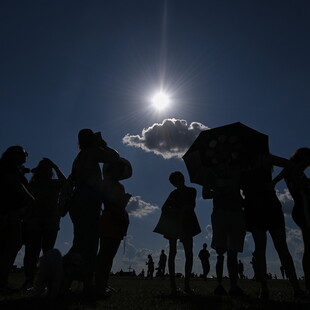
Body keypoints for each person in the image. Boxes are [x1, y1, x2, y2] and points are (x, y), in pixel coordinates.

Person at [241, 152, 306, 299]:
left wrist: (274, 182)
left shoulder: (263, 158)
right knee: (263, 249)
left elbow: (290, 165)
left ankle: (294, 288)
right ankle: (266, 289)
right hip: (255, 206)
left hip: (267, 205)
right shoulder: (245, 163)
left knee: (278, 248)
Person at [68, 129, 120, 298]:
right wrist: (102, 143)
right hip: (89, 203)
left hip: (77, 203)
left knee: (80, 242)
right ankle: (87, 286)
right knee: (89, 245)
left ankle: (67, 282)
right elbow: (114, 157)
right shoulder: (92, 152)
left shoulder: (79, 158)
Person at [154, 171, 201, 295]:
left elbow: (191, 206)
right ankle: (173, 286)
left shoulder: (192, 191)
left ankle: (186, 285)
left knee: (189, 253)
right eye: (174, 181)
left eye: (178, 179)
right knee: (173, 252)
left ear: (183, 179)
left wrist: (180, 210)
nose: (177, 183)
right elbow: (164, 208)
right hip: (175, 225)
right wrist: (177, 211)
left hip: (187, 224)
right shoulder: (173, 194)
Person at [202, 162, 246, 296]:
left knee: (233, 252)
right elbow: (205, 194)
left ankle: (233, 286)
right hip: (220, 211)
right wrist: (220, 192)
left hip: (236, 211)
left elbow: (242, 189)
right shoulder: (210, 171)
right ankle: (219, 285)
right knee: (220, 250)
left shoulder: (237, 169)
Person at [22, 158, 66, 289]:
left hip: (50, 222)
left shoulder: (53, 184)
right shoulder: (32, 185)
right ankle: (30, 280)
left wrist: (56, 166)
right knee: (32, 252)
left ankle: (45, 282)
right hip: (35, 221)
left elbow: (66, 183)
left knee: (46, 252)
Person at [273, 147, 310, 292]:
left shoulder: (296, 170)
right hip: (303, 208)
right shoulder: (294, 169)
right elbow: (298, 187)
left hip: (302, 208)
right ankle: (308, 285)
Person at [95, 158, 132, 297]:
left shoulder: (120, 186)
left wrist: (123, 203)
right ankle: (99, 284)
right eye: (118, 167)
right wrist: (118, 208)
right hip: (110, 220)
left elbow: (119, 204)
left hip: (118, 221)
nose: (120, 170)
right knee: (105, 254)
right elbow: (107, 201)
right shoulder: (106, 183)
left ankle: (103, 283)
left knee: (110, 255)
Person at [0, 146, 35, 294]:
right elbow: (17, 186)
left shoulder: (11, 167)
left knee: (11, 244)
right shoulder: (9, 169)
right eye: (23, 153)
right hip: (8, 211)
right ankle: (1, 282)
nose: (26, 155)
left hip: (11, 211)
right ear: (13, 154)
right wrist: (32, 200)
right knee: (11, 244)